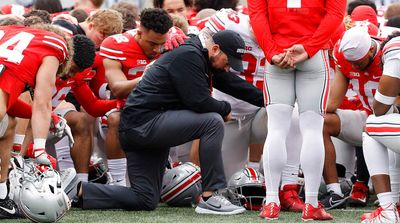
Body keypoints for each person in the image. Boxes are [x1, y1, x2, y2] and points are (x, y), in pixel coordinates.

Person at [75, 29, 262, 215]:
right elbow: (198, 101)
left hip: (141, 127)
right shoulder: (190, 54)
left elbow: (231, 83)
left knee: (144, 198)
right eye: (228, 62)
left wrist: (271, 101)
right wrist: (225, 109)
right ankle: (211, 196)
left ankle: (79, 191)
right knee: (212, 121)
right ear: (214, 49)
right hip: (145, 124)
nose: (228, 68)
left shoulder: (199, 55)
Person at [248, 0, 346, 220]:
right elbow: (335, 14)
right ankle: (310, 203)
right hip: (313, 54)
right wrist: (311, 47)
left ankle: (271, 201)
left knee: (276, 130)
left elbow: (257, 15)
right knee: (312, 130)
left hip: (279, 52)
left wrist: (272, 52)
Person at [0, 24, 72, 219]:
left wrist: (52, 119)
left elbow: (9, 104)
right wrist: (40, 148)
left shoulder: (9, 30)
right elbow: (42, 102)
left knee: (7, 123)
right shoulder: (55, 47)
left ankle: (2, 197)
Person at [98, 8, 173, 186]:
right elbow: (117, 89)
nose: (156, 49)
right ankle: (117, 181)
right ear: (139, 32)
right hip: (127, 109)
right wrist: (148, 75)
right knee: (115, 119)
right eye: (152, 43)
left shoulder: (173, 40)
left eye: (160, 44)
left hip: (160, 108)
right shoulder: (116, 44)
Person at [320, 25, 382, 210]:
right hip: (367, 116)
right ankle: (335, 192)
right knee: (320, 121)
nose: (354, 66)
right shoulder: (343, 54)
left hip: (393, 118)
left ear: (371, 49)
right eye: (351, 62)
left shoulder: (390, 54)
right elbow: (333, 103)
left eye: (359, 62)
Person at [360, 32, 400, 223]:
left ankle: (387, 210)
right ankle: (396, 205)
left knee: (371, 126)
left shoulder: (395, 47)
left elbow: (380, 108)